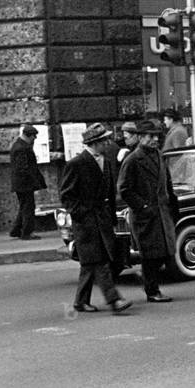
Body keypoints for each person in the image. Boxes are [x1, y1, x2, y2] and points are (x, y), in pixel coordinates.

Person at [59, 123, 133, 314]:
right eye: (104, 140)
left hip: (103, 220)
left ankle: (80, 302)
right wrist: (81, 214)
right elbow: (67, 196)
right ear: (95, 143)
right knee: (100, 262)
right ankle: (114, 300)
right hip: (86, 222)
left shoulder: (106, 161)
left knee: (90, 263)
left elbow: (109, 191)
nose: (108, 143)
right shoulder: (76, 164)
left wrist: (111, 217)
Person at [117, 120, 178, 302]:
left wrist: (172, 204)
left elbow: (167, 182)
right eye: (151, 136)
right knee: (150, 255)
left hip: (162, 212)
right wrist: (142, 207)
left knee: (165, 252)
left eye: (157, 136)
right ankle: (152, 291)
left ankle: (151, 285)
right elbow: (124, 189)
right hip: (146, 216)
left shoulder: (158, 155)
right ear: (141, 137)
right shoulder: (133, 160)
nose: (155, 139)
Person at [9, 124, 46, 240]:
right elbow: (23, 168)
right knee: (28, 208)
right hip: (24, 184)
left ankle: (16, 230)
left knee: (24, 206)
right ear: (28, 136)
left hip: (21, 183)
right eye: (33, 136)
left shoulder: (19, 145)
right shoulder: (22, 148)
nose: (35, 138)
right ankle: (27, 233)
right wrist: (33, 181)